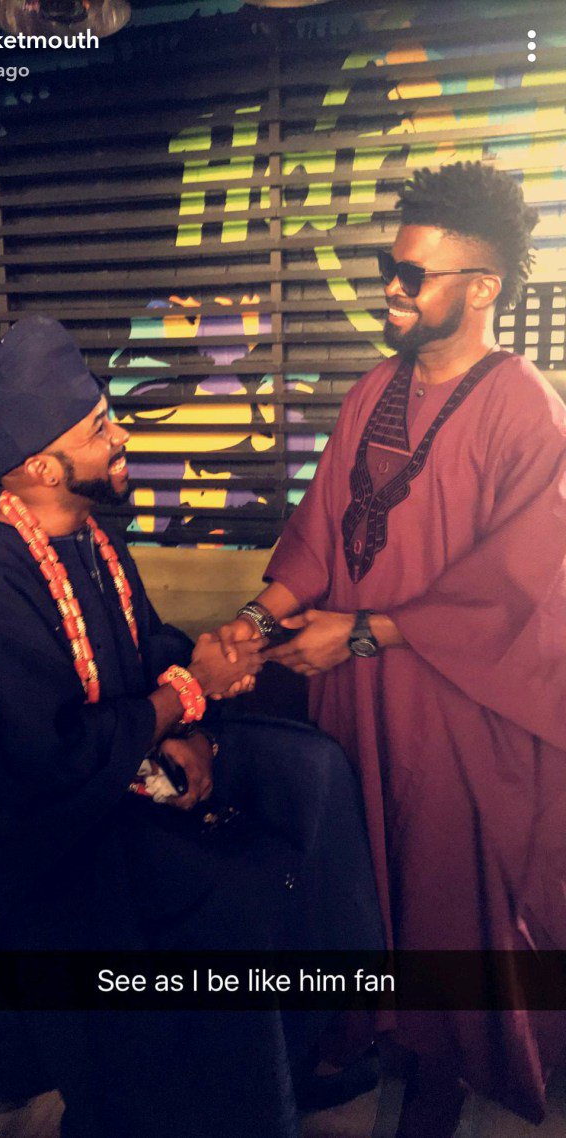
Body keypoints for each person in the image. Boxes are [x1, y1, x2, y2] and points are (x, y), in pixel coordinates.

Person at [0, 316, 383, 1138]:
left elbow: (142, 651)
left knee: (309, 770)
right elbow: (43, 768)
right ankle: (235, 1107)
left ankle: (314, 1041)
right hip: (47, 844)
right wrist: (180, 707)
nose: (122, 435)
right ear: (43, 467)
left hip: (121, 767)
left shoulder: (91, 539)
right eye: (99, 428)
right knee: (232, 898)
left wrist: (200, 701)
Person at [214, 161, 566, 1136]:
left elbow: (519, 583)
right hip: (351, 699)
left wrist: (365, 631)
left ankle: (438, 1071)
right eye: (389, 268)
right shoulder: (373, 389)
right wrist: (255, 622)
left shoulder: (527, 410)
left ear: (482, 287)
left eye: (413, 275)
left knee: (445, 895)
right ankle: (366, 1030)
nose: (392, 290)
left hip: (454, 708)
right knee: (356, 873)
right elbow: (319, 533)